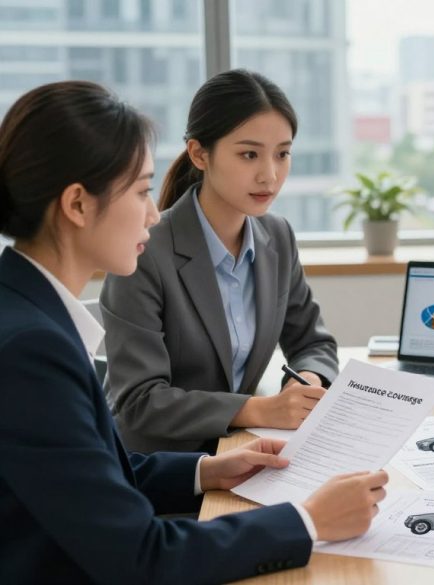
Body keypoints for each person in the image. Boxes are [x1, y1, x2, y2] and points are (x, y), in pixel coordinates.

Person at [0, 80, 388, 583]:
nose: (153, 211)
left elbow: (88, 475)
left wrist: (207, 471)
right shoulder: (31, 348)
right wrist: (310, 520)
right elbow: (141, 557)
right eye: (140, 190)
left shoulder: (32, 315)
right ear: (77, 205)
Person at [101, 70, 337, 453]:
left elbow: (313, 341)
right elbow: (139, 401)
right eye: (249, 154)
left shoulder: (277, 237)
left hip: (242, 451)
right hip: (161, 471)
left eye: (283, 153)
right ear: (199, 153)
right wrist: (258, 410)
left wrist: (307, 379)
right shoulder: (145, 252)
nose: (270, 175)